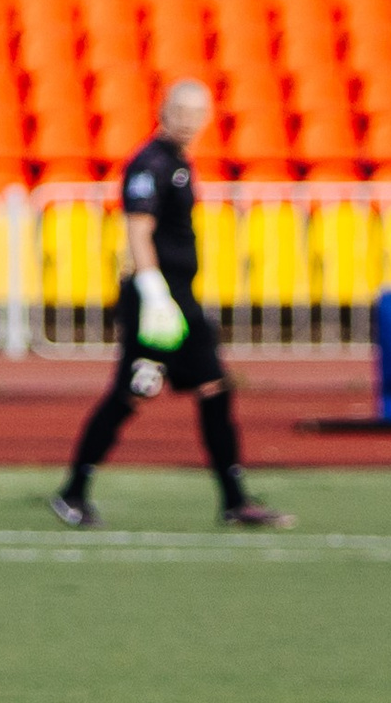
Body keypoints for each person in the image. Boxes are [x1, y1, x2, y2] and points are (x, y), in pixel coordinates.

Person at [52, 79, 294, 530]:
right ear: (163, 110)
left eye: (196, 112)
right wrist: (153, 291)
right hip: (159, 300)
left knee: (214, 390)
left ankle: (234, 499)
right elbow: (138, 231)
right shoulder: (151, 163)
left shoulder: (179, 163)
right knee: (130, 394)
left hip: (180, 297)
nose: (188, 120)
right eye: (180, 110)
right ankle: (73, 492)